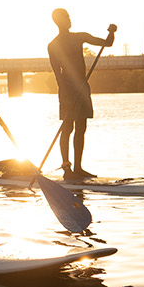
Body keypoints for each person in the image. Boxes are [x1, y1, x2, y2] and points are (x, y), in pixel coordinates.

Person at [47, 9, 115, 180]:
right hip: (67, 90)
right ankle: (66, 168)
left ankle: (78, 167)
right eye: (67, 18)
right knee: (68, 127)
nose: (70, 20)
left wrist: (112, 32)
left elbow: (106, 43)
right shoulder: (53, 45)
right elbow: (57, 73)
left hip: (83, 87)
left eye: (69, 17)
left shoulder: (79, 37)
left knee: (81, 128)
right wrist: (67, 95)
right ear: (59, 21)